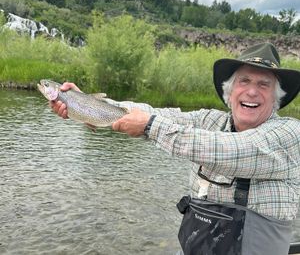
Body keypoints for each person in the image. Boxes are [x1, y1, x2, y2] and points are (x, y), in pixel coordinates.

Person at [51, 43, 300, 254]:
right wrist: (86, 104)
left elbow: (229, 150)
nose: (252, 91)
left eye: (264, 84)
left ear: (276, 98)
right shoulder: (211, 121)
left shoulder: (290, 134)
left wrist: (150, 127)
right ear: (230, 91)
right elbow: (156, 113)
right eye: (244, 81)